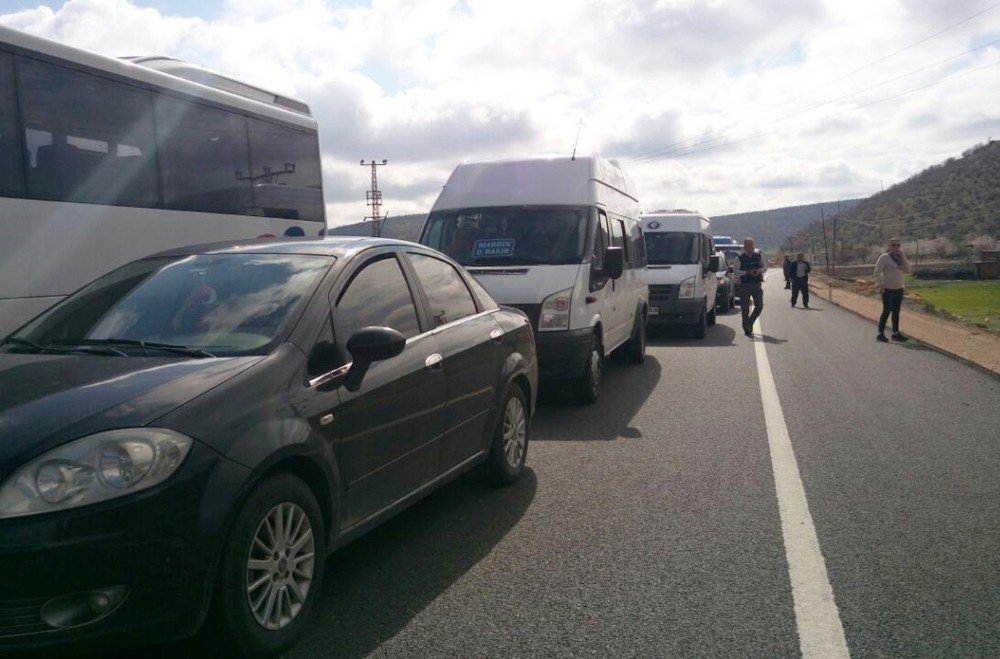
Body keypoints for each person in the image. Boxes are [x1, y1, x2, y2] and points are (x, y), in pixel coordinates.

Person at [873, 238, 911, 342]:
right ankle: (880, 334)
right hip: (888, 289)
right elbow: (877, 271)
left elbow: (908, 270)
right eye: (893, 245)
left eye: (898, 245)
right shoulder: (884, 257)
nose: (896, 247)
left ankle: (895, 334)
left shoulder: (899, 258)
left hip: (898, 288)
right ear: (889, 246)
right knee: (887, 310)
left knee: (896, 311)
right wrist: (881, 284)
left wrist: (903, 256)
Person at [735, 237, 766, 336]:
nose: (751, 247)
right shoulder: (739, 258)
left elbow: (765, 267)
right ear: (744, 246)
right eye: (748, 245)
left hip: (757, 284)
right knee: (745, 308)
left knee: (760, 306)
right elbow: (736, 272)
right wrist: (747, 272)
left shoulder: (759, 256)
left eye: (752, 245)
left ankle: (749, 322)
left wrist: (758, 271)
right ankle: (746, 328)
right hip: (745, 285)